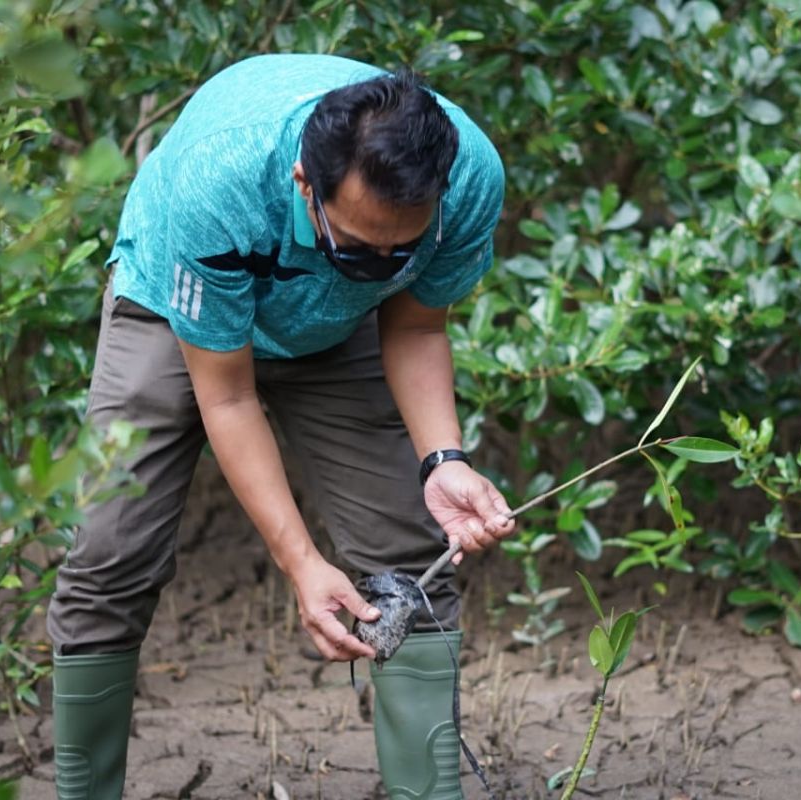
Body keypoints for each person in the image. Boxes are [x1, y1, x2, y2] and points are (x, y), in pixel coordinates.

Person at [47, 54, 516, 800]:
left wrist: (443, 460)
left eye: (403, 247)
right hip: (177, 311)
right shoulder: (221, 179)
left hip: (338, 329)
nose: (383, 261)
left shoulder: (467, 175)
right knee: (110, 550)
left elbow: (418, 327)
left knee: (406, 552)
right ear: (306, 184)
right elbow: (228, 396)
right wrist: (302, 564)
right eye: (359, 244)